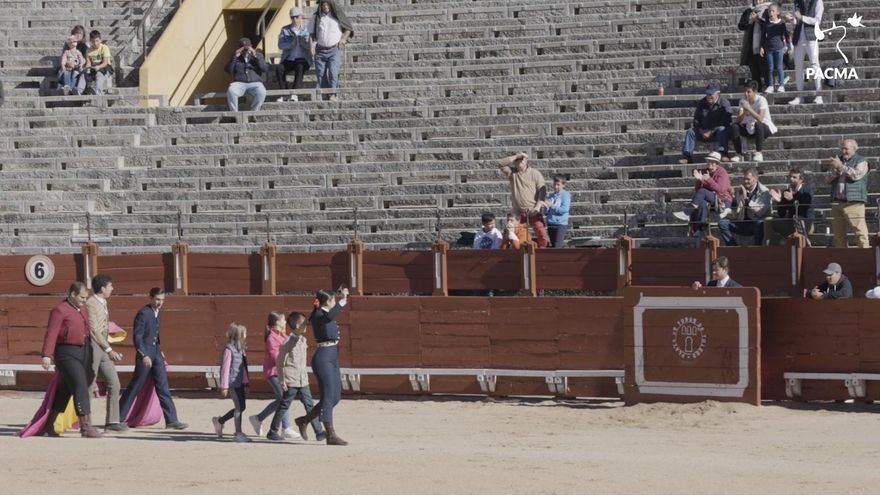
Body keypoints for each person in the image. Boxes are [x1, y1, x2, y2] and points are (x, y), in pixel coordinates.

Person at [39, 282, 102, 438]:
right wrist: (47, 355)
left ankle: (48, 425)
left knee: (66, 390)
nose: (84, 300)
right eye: (82, 297)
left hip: (83, 351)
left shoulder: (83, 308)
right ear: (72, 294)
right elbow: (51, 333)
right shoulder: (60, 310)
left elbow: (88, 330)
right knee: (80, 384)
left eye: (85, 298)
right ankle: (86, 426)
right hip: (66, 353)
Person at [119, 288, 187, 430]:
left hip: (155, 353)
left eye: (162, 300)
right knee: (135, 386)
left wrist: (158, 352)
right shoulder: (144, 313)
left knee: (163, 386)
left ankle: (171, 420)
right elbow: (137, 337)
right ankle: (117, 418)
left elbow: (154, 336)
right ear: (150, 298)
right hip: (145, 355)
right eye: (157, 299)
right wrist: (143, 355)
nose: (160, 302)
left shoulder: (156, 313)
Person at [294, 287, 350, 446]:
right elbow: (331, 315)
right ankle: (330, 434)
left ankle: (304, 421)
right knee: (327, 396)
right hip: (324, 357)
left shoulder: (324, 314)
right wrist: (343, 300)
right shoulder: (319, 315)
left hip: (332, 356)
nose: (335, 301)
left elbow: (331, 315)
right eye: (333, 299)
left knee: (335, 397)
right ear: (328, 301)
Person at [267, 312, 325, 442]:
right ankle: (272, 431)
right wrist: (282, 379)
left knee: (310, 405)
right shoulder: (288, 341)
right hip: (291, 380)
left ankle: (319, 431)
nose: (306, 326)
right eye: (304, 323)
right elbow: (280, 361)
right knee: (284, 405)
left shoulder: (303, 339)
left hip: (302, 379)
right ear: (298, 325)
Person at [85, 274, 125, 432]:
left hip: (103, 347)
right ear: (102, 288)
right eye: (110, 286)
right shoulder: (90, 303)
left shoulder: (103, 302)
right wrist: (109, 349)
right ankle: (85, 421)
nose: (112, 289)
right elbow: (93, 329)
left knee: (114, 383)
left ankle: (113, 421)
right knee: (89, 384)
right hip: (93, 347)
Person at [249, 311, 296, 438]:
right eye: (283, 320)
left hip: (282, 372)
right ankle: (286, 427)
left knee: (282, 399)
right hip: (274, 373)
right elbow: (277, 357)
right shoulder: (272, 337)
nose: (285, 322)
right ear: (277, 323)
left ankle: (258, 418)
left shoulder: (282, 336)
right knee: (284, 398)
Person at [672, 152, 734, 236]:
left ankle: (688, 212)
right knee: (702, 203)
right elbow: (698, 191)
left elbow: (721, 190)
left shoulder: (722, 173)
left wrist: (708, 180)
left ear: (717, 164)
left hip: (721, 199)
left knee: (703, 191)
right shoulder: (704, 171)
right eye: (708, 162)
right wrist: (699, 180)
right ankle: (699, 228)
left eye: (712, 163)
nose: (710, 165)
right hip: (709, 198)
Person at [497, 152, 550, 247]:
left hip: (533, 210)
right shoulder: (512, 173)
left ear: (526, 161)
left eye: (521, 160)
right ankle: (510, 251)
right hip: (518, 212)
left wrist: (538, 206)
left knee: (541, 233)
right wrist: (516, 156)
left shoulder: (535, 173)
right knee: (510, 231)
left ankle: (542, 252)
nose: (519, 163)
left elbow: (542, 190)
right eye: (517, 161)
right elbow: (501, 164)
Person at [826, 139, 870, 248]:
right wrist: (835, 170)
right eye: (842, 148)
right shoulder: (838, 161)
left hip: (854, 203)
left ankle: (866, 258)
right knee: (838, 236)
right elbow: (827, 180)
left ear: (854, 149)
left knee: (860, 233)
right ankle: (842, 260)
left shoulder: (861, 161)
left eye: (846, 148)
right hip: (837, 203)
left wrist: (841, 166)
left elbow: (856, 175)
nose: (843, 151)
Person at [213, 322, 251, 442]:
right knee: (239, 407)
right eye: (244, 333)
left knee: (241, 407)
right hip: (232, 383)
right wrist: (224, 386)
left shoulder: (241, 349)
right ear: (239, 335)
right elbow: (225, 368)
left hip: (239, 383)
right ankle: (238, 433)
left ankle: (219, 421)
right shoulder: (229, 350)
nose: (246, 335)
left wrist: (246, 383)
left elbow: (243, 369)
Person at [678, 83, 733, 164]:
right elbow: (696, 119)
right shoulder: (702, 102)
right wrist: (701, 130)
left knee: (722, 129)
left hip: (717, 132)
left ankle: (724, 153)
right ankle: (687, 156)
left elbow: (726, 121)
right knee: (690, 131)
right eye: (707, 94)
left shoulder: (724, 103)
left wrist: (711, 131)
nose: (708, 96)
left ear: (718, 94)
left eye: (711, 94)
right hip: (703, 132)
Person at [309, 0, 354, 94]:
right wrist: (311, 47)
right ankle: (326, 95)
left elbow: (348, 29)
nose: (325, 6)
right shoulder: (315, 17)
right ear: (320, 6)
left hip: (334, 50)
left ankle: (333, 94)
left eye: (327, 4)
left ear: (331, 5)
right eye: (323, 4)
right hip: (320, 50)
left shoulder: (337, 15)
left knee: (333, 73)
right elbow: (311, 34)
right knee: (321, 75)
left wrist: (343, 39)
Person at [718, 168, 772, 246]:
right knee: (722, 223)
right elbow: (738, 212)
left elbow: (760, 212)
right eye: (744, 179)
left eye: (748, 179)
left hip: (756, 224)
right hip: (742, 223)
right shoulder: (740, 191)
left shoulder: (764, 192)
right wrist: (724, 208)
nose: (745, 181)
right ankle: (733, 246)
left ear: (755, 179)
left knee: (759, 223)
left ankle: (757, 248)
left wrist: (747, 199)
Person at [785, 0, 824, 105]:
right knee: (798, 67)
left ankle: (819, 95)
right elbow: (795, 21)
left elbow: (817, 21)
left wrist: (802, 17)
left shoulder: (817, 1)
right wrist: (791, 19)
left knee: (815, 65)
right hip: (798, 38)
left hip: (811, 37)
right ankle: (799, 96)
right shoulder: (797, 2)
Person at [764, 167, 814, 244]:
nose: (791, 179)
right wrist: (780, 202)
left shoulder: (807, 192)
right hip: (790, 223)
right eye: (789, 177)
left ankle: (801, 243)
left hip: (805, 223)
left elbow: (804, 211)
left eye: (794, 177)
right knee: (768, 220)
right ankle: (768, 247)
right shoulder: (786, 192)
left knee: (799, 219)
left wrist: (792, 200)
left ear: (801, 180)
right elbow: (781, 214)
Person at [731, 81, 777, 163]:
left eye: (748, 92)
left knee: (758, 124)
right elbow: (738, 120)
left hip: (763, 128)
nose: (746, 94)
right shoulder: (743, 100)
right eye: (745, 91)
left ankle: (759, 153)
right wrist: (745, 111)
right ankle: (739, 154)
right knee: (735, 126)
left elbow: (760, 119)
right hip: (749, 127)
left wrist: (749, 109)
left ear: (755, 92)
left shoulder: (761, 100)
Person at [276, 7, 312, 99]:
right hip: (289, 58)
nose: (294, 19)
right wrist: (291, 44)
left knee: (300, 66)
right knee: (279, 68)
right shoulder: (285, 29)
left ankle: (294, 93)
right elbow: (280, 45)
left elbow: (311, 46)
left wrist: (304, 43)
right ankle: (284, 93)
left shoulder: (307, 30)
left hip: (303, 58)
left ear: (301, 17)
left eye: (296, 17)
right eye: (292, 17)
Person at [224, 37, 268, 112]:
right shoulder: (235, 57)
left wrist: (255, 56)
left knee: (262, 92)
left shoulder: (258, 56)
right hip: (239, 83)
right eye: (243, 48)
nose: (245, 50)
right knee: (231, 91)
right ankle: (235, 114)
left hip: (255, 83)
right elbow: (229, 71)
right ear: (240, 48)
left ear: (251, 46)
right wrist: (234, 57)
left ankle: (253, 113)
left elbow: (264, 69)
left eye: (247, 48)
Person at [738, 1, 770, 91]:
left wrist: (758, 20)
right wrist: (750, 21)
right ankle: (757, 91)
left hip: (763, 45)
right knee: (754, 72)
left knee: (765, 70)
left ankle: (769, 88)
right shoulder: (748, 11)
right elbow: (741, 26)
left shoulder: (768, 10)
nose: (758, 1)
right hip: (751, 47)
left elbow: (770, 25)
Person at [762, 3, 790, 93]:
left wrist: (788, 46)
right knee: (770, 68)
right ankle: (770, 85)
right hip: (769, 48)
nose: (771, 12)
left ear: (777, 12)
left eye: (773, 11)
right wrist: (761, 47)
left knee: (779, 67)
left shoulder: (781, 23)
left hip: (779, 48)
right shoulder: (766, 24)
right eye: (769, 11)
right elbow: (763, 37)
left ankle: (781, 85)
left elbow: (785, 35)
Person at [544, 174, 571, 248]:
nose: (556, 187)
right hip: (550, 223)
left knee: (557, 246)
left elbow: (564, 210)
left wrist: (551, 205)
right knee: (553, 246)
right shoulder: (550, 196)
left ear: (563, 185)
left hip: (560, 224)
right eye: (554, 184)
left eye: (558, 185)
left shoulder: (565, 195)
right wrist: (545, 206)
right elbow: (546, 212)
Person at [85, 30, 113, 95]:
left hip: (105, 68)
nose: (95, 43)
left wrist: (99, 67)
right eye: (93, 41)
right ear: (90, 41)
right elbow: (88, 63)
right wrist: (86, 69)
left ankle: (97, 90)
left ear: (100, 40)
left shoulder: (104, 48)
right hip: (94, 68)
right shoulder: (88, 50)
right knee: (84, 74)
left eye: (97, 40)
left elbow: (105, 62)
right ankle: (80, 90)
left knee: (99, 74)